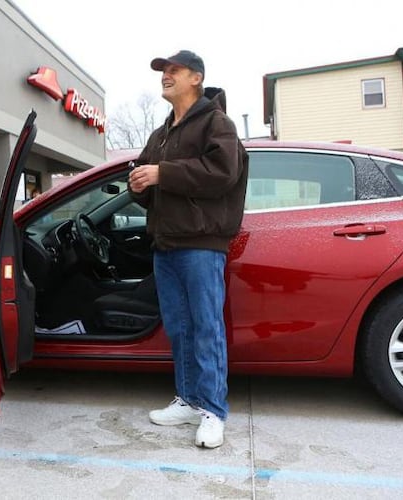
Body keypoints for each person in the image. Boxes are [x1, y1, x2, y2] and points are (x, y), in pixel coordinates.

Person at [128, 50, 248, 449]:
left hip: (201, 245)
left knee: (206, 329)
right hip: (166, 244)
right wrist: (140, 185)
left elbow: (222, 174)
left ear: (195, 77)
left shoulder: (217, 123)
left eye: (173, 70)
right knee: (179, 330)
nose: (166, 75)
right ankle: (189, 400)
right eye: (163, 70)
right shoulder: (162, 133)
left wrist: (164, 173)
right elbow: (150, 181)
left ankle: (214, 410)